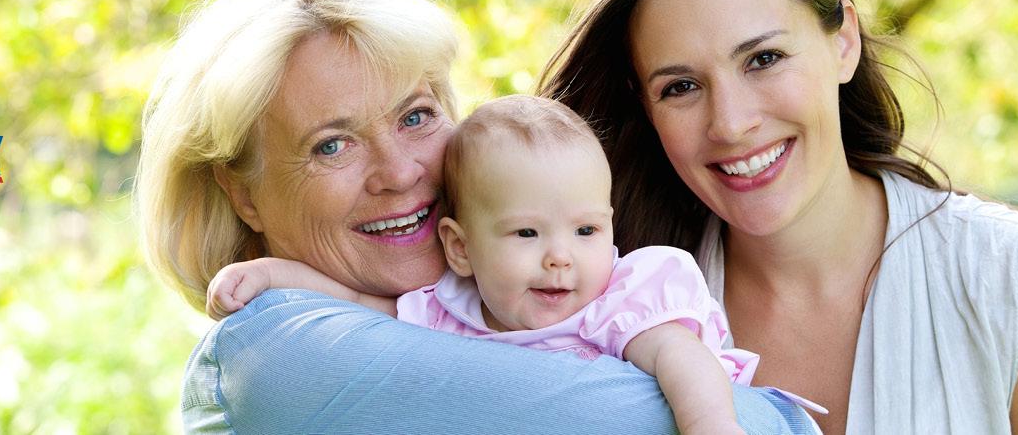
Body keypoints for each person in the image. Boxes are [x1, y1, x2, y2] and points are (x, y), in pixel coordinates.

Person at [137, 0, 819, 434]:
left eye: (415, 116)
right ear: (241, 194)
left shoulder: (459, 302)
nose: (401, 172)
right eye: (331, 146)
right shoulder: (282, 352)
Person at [537, 0, 1018, 433]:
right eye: (681, 86)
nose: (730, 124)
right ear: (645, 106)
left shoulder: (1007, 276)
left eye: (763, 59)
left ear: (843, 41)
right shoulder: (591, 306)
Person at [206, 95, 828, 434]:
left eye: (586, 230)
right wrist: (272, 277)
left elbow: (682, 359)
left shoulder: (620, 296)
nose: (560, 256)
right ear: (459, 248)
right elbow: (361, 306)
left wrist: (710, 427)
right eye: (526, 232)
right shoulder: (447, 308)